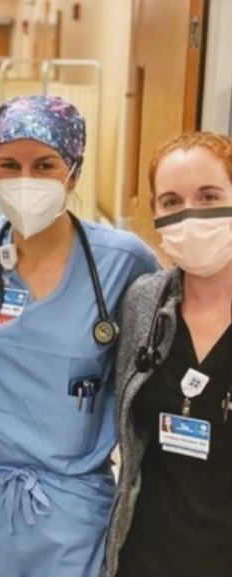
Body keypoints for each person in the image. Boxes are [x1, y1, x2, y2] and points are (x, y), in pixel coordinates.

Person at [0, 94, 159, 577]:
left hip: (74, 502)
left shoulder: (122, 261)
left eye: (44, 164)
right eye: (9, 164)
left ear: (73, 171)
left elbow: (167, 335)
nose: (25, 179)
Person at [104, 131, 232, 577]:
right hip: (145, 552)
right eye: (172, 201)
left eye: (209, 195)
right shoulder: (144, 302)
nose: (190, 214)